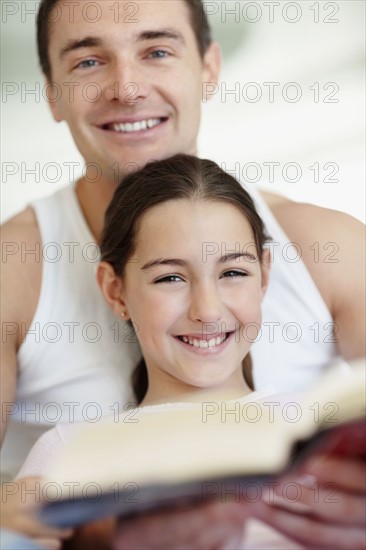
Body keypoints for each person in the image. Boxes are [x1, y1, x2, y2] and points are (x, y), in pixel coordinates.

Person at [1, 0, 364, 547]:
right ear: (51, 92)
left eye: (157, 50)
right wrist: (105, 526)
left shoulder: (330, 245)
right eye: (87, 62)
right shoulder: (13, 270)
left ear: (208, 68)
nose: (127, 87)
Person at [16, 156, 366, 550]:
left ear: (264, 276)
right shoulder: (71, 452)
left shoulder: (323, 432)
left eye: (233, 273)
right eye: (170, 278)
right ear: (116, 291)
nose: (208, 311)